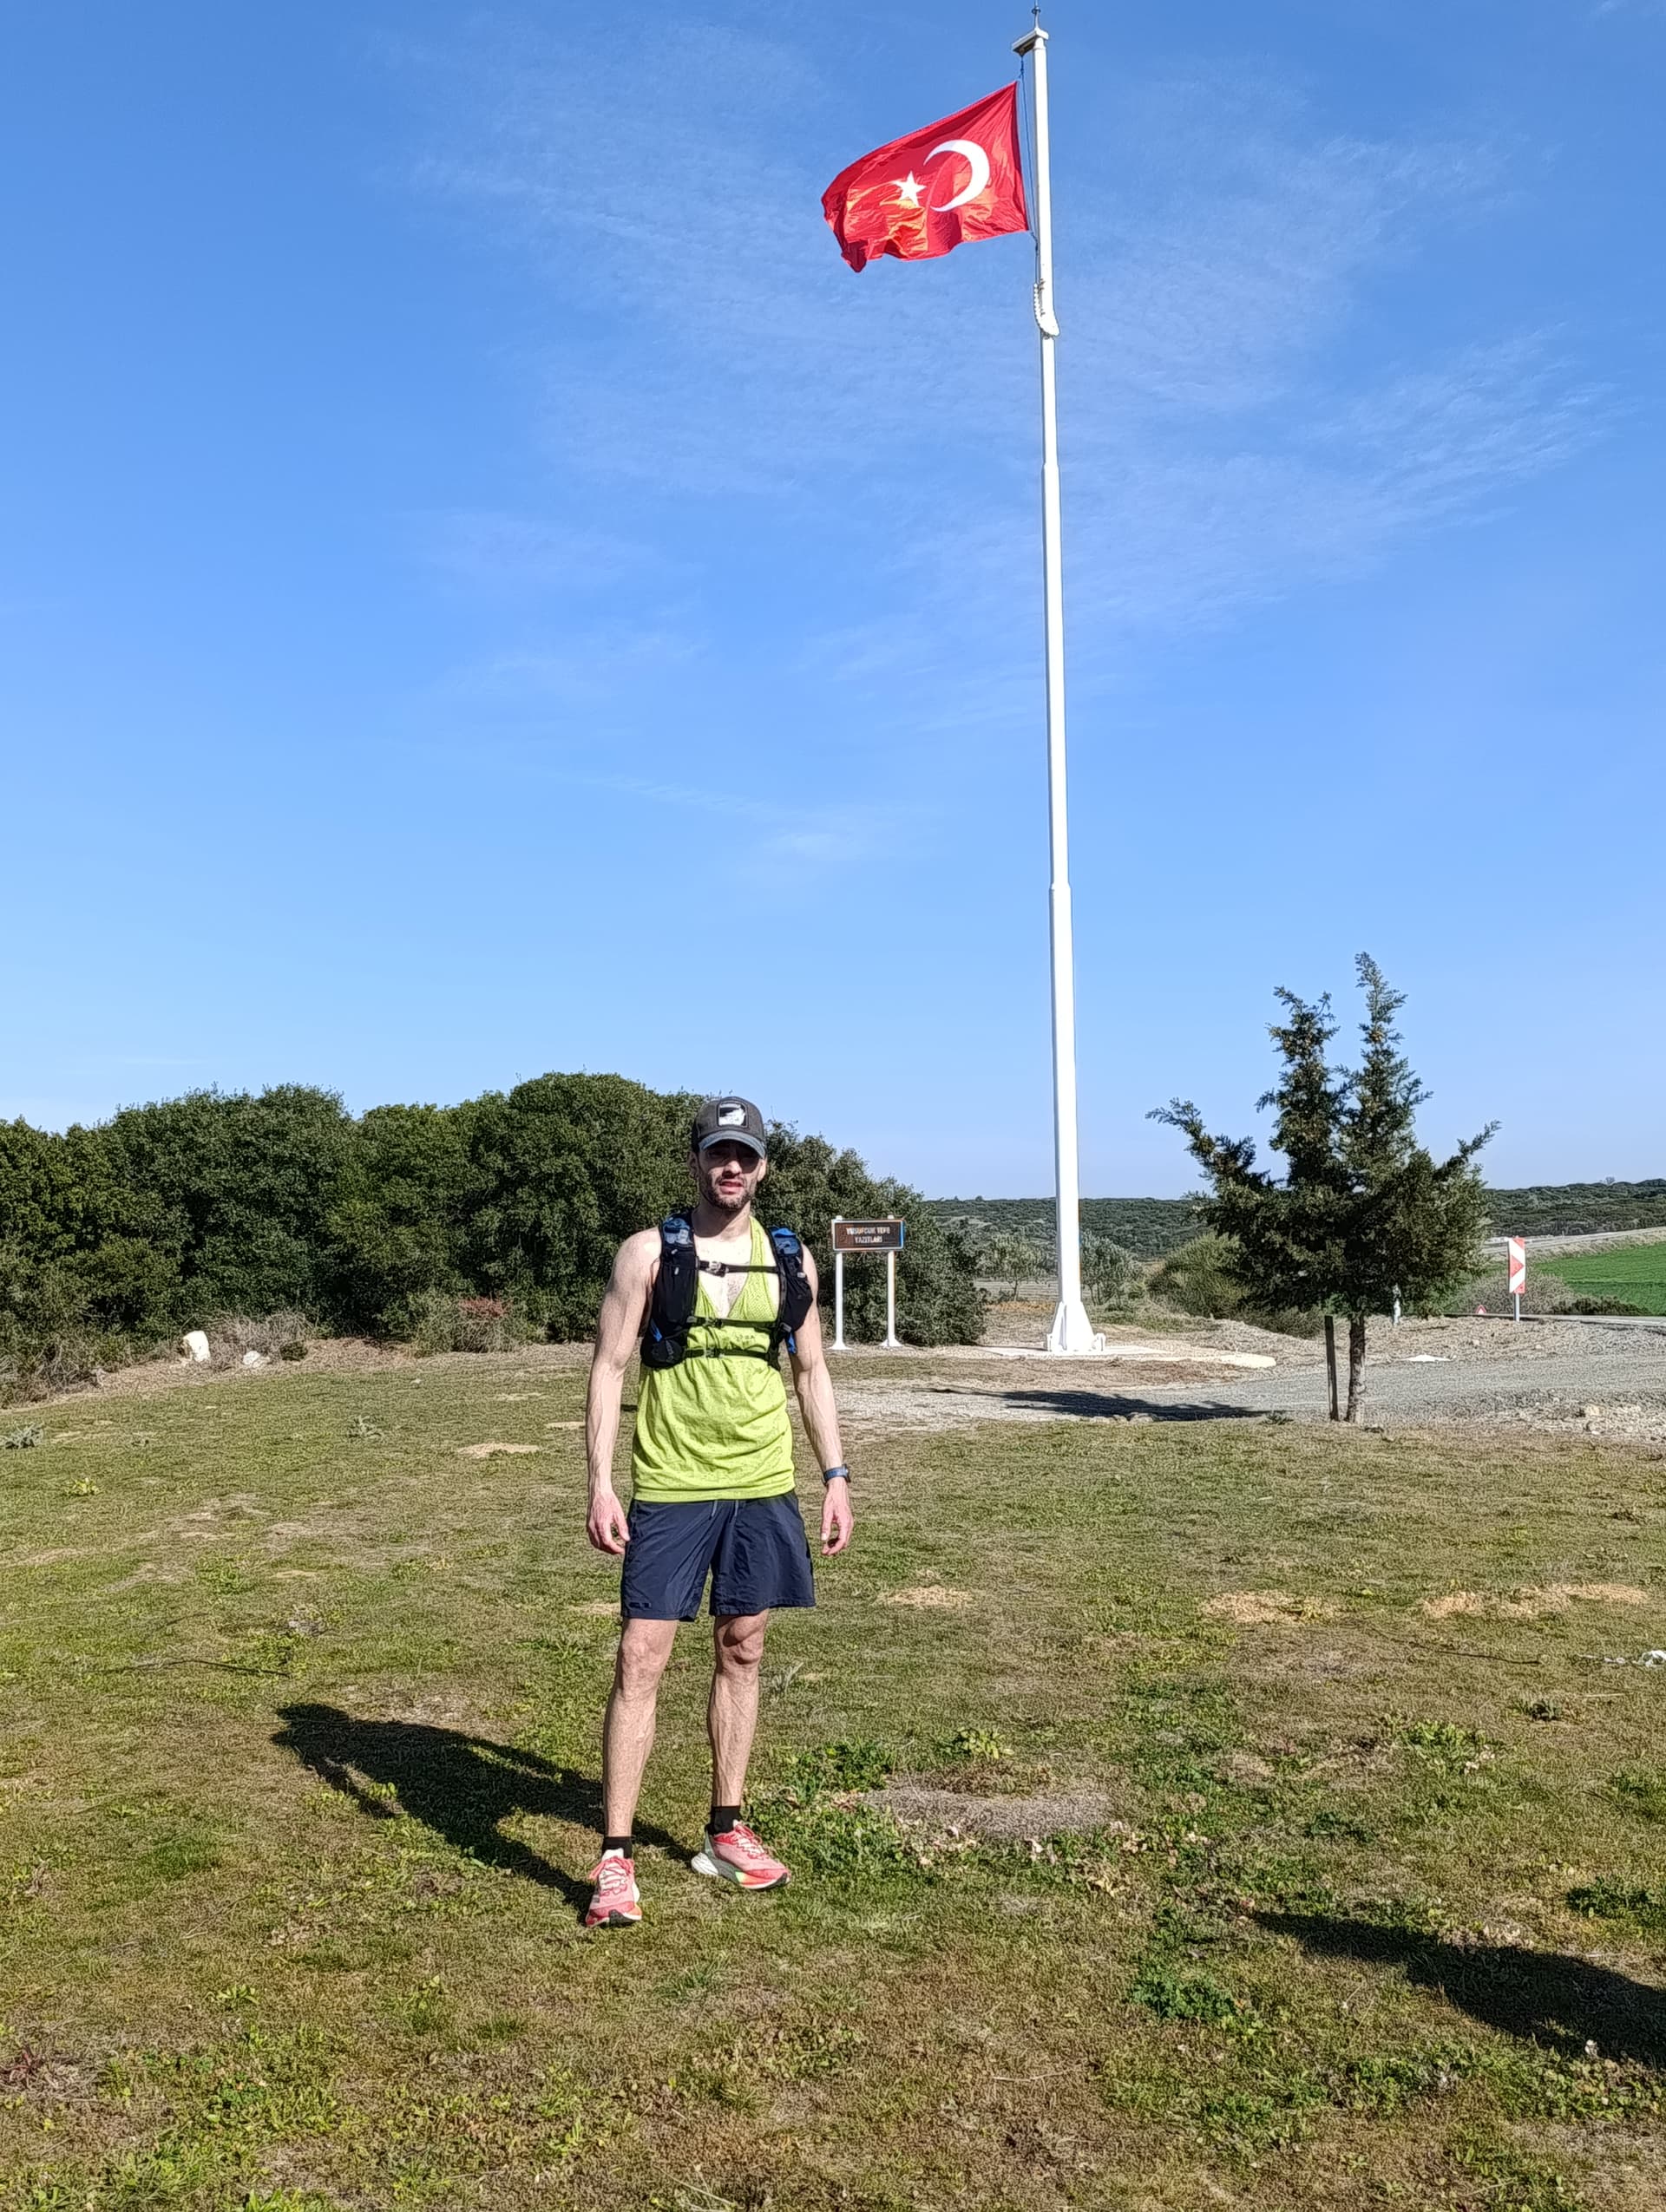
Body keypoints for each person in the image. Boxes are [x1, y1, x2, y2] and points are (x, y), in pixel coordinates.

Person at [581, 1095, 853, 1929]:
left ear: (763, 1167)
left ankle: (725, 1831)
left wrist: (835, 1476)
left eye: (745, 1155)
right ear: (696, 1161)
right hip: (671, 1484)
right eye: (717, 1153)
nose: (730, 1167)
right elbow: (609, 1367)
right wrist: (599, 1482)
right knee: (641, 1658)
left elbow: (810, 1372)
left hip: (762, 1482)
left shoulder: (790, 1259)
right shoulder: (648, 1254)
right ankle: (616, 1859)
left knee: (744, 1647)